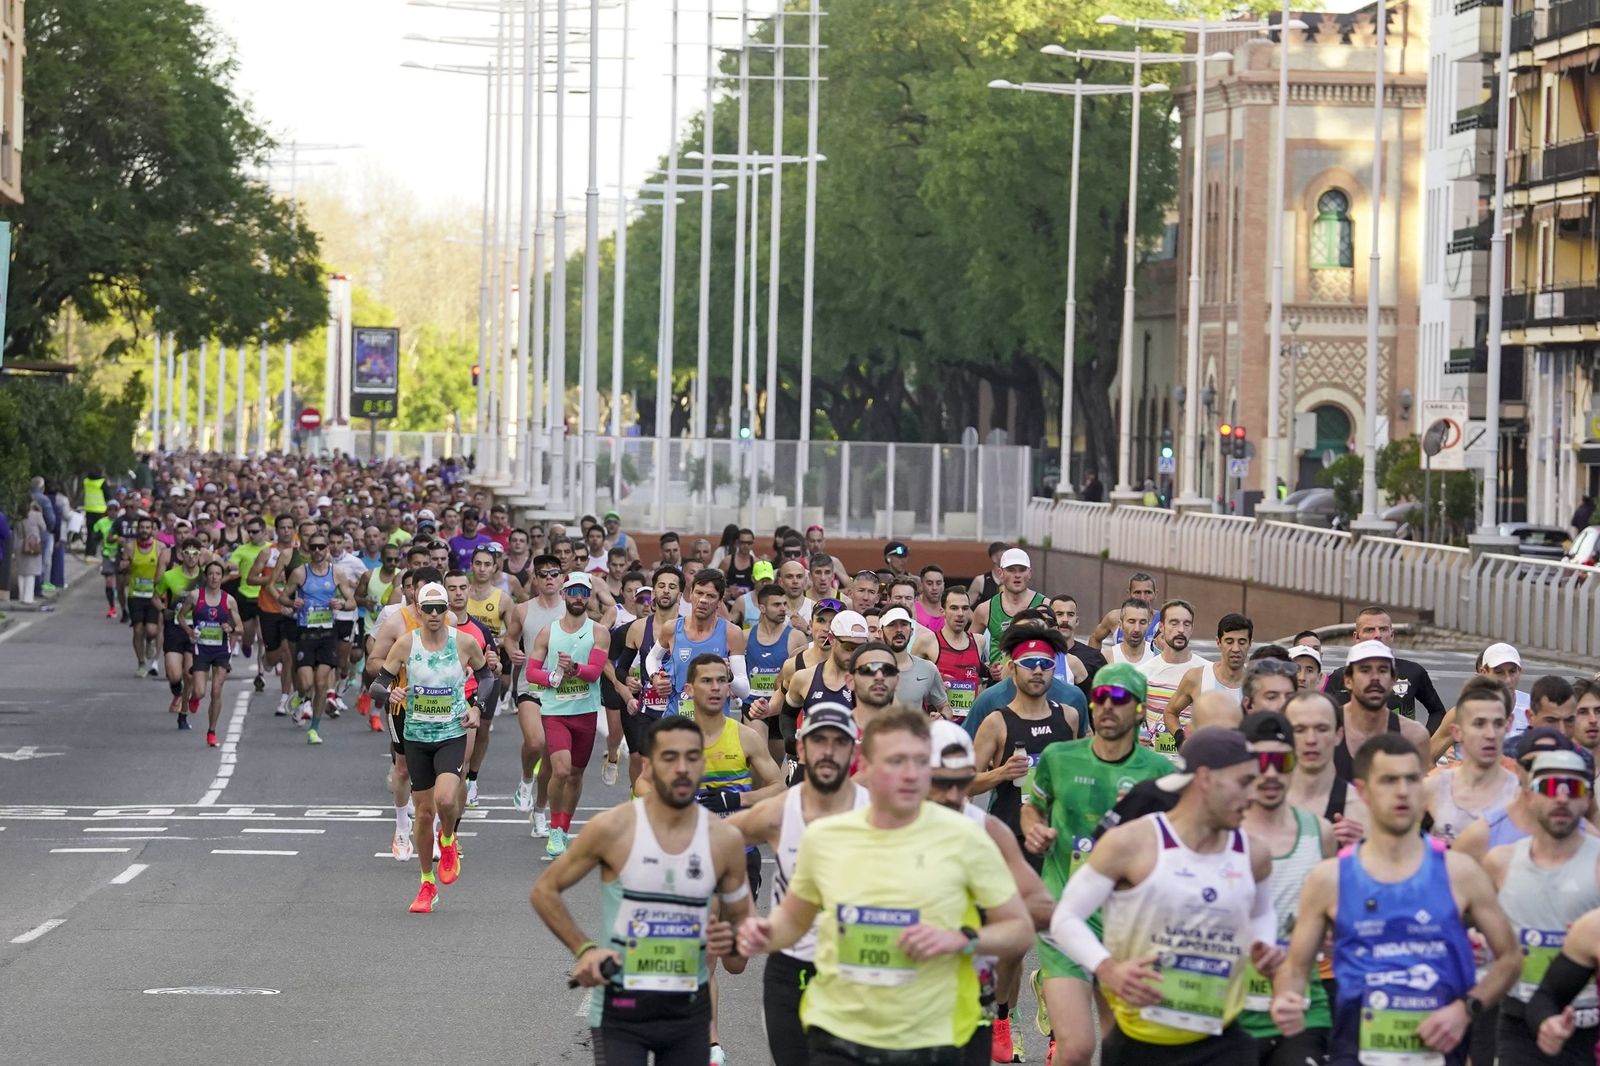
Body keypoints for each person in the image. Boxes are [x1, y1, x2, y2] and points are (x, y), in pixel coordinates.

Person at [736, 707, 1036, 1064]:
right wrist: (762, 932)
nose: (909, 774)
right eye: (896, 761)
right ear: (866, 765)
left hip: (928, 1036)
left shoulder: (966, 837)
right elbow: (793, 920)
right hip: (840, 1032)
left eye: (919, 762)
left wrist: (962, 940)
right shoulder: (826, 836)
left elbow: (1019, 929)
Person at [1270, 733, 1520, 1066]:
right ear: (1363, 791)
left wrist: (1466, 1009)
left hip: (1438, 1053)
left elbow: (1510, 959)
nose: (1402, 791)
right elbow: (1296, 967)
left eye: (1411, 779)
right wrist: (1287, 997)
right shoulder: (1330, 879)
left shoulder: (1460, 873)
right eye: (1389, 780)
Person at [1048, 727, 1279, 1064]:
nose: (1253, 795)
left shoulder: (1254, 853)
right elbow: (1065, 918)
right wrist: (1108, 969)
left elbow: (1262, 914)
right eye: (1244, 782)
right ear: (1205, 779)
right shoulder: (1131, 843)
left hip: (1223, 1041)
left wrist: (1264, 945)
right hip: (1140, 1041)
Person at [530, 715, 752, 1066]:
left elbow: (737, 962)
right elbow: (545, 890)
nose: (682, 768)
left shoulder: (724, 841)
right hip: (622, 1010)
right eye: (669, 758)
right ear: (647, 766)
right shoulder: (614, 828)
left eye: (692, 758)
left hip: (687, 1015)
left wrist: (733, 942)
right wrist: (584, 949)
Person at [1016, 660, 1172, 1066]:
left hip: (1124, 924)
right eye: (1099, 696)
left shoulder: (1159, 772)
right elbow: (1032, 807)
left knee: (1121, 1047)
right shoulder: (1059, 757)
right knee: (1077, 1049)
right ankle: (1056, 985)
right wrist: (1034, 829)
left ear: (1140, 708)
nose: (1107, 706)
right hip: (1064, 911)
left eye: (1119, 698)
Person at [727, 703, 869, 1066]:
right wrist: (740, 909)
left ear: (854, 751)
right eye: (819, 741)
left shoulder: (878, 813)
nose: (828, 751)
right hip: (793, 967)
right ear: (801, 749)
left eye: (839, 742)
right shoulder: (781, 811)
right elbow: (717, 843)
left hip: (858, 968)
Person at [369, 580, 493, 913]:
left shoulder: (464, 642)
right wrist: (390, 692)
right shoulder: (406, 644)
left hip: (452, 732)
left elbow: (487, 677)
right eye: (429, 609)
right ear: (419, 611)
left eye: (441, 608)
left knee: (446, 799)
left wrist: (477, 708)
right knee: (423, 815)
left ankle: (448, 838)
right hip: (417, 736)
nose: (435, 614)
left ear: (447, 610)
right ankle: (427, 883)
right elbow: (377, 684)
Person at [1482, 749, 1600, 1065]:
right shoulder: (1500, 862)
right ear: (1529, 796)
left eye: (1573, 788)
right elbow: (1472, 927)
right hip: (1517, 1021)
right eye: (1549, 787)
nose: (1561, 798)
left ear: (1587, 799)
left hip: (1588, 1026)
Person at [1236, 712, 1337, 1066]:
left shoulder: (1320, 833)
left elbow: (1334, 919)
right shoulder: (1222, 833)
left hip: (1303, 1010)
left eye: (1282, 762)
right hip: (1231, 1012)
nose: (1271, 773)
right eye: (1260, 761)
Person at [523, 572, 612, 859]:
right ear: (563, 595)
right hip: (555, 712)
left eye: (583, 593)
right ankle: (553, 828)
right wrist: (552, 676)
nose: (578, 597)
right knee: (560, 770)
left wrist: (574, 669)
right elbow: (531, 672)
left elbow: (595, 672)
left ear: (589, 597)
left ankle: (563, 827)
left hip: (585, 711)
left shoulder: (599, 632)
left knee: (575, 775)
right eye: (573, 592)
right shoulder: (548, 632)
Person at [507, 554, 569, 834]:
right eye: (543, 574)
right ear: (534, 579)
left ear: (562, 578)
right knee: (535, 743)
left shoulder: (571, 610)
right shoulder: (523, 610)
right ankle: (525, 780)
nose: (549, 579)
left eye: (554, 574)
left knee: (552, 761)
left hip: (562, 690)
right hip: (530, 685)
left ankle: (540, 811)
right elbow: (510, 637)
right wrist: (512, 651)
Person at [282, 532, 357, 744]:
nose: (317, 551)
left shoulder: (337, 573)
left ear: (327, 549)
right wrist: (292, 603)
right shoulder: (299, 573)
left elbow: (352, 602)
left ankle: (314, 729)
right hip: (306, 633)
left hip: (327, 634)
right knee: (306, 683)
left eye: (321, 547)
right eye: (313, 547)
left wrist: (341, 604)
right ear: (308, 549)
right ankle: (300, 696)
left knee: (321, 683)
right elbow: (283, 596)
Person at [1322, 606, 1448, 731]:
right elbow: (1324, 716)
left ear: (1392, 635)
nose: (1377, 635)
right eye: (1370, 630)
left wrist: (1426, 738)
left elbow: (1438, 711)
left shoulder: (1414, 671)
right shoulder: (1340, 676)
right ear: (1356, 637)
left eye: (1383, 629)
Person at [1425, 676, 1518, 843]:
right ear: (1457, 732)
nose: (1490, 734)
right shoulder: (1432, 788)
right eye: (1479, 724)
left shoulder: (1523, 790)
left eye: (1498, 723)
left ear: (1509, 724)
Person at [1332, 639, 1430, 779]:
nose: (1375, 678)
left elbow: (1419, 789)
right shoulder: (1325, 728)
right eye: (1365, 670)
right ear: (1348, 680)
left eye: (1382, 670)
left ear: (1393, 680)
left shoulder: (1414, 736)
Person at [1283, 691, 1368, 850]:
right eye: (1299, 730)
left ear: (1339, 735)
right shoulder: (1261, 804)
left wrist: (1361, 851)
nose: (1311, 740)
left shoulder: (1361, 809)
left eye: (1321, 729)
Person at [178, 559, 242, 747]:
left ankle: (211, 732)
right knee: (200, 691)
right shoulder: (195, 596)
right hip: (202, 649)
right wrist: (189, 631)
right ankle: (194, 698)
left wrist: (230, 628)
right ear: (205, 576)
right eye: (211, 574)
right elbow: (180, 616)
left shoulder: (229, 600)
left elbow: (240, 628)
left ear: (222, 577)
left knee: (216, 691)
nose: (214, 577)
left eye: (218, 574)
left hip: (221, 650)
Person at [1163, 613, 1252, 740]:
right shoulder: (1196, 677)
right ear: (1218, 642)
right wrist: (1180, 738)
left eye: (1242, 642)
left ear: (1250, 643)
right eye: (1229, 642)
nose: (1236, 648)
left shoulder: (1257, 683)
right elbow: (1170, 712)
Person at [1136, 600, 1207, 754]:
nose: (1180, 630)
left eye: (1186, 624)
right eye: (1174, 623)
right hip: (1154, 759)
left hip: (1194, 758)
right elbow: (1130, 717)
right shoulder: (1143, 673)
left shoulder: (1206, 671)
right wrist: (1132, 738)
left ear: (1192, 628)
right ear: (1161, 627)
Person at [973, 548, 1046, 668]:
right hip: (1000, 677)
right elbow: (968, 649)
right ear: (1000, 573)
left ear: (1030, 573)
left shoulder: (1045, 605)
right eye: (1011, 570)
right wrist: (986, 670)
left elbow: (1059, 649)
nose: (1017, 575)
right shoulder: (985, 609)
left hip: (1035, 675)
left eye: (1022, 570)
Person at [879, 606, 950, 718]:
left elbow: (945, 707)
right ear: (880, 633)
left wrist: (942, 718)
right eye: (892, 624)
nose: (899, 630)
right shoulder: (868, 668)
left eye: (904, 624)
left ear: (911, 631)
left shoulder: (927, 668)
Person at [122, 513, 167, 674]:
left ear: (153, 529)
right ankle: (141, 663)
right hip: (135, 595)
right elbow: (124, 568)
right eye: (142, 527)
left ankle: (150, 641)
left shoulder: (160, 548)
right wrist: (124, 566)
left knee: (152, 630)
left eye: (148, 527)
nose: (145, 530)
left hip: (153, 595)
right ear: (137, 529)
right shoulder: (130, 547)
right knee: (138, 629)